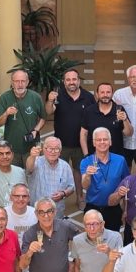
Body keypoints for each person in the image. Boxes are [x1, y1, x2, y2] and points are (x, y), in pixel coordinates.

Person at [46, 69, 95, 208]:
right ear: (64, 82)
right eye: (68, 80)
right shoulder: (58, 96)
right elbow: (49, 111)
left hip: (81, 144)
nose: (71, 82)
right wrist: (49, 101)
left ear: (78, 81)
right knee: (58, 171)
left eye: (74, 79)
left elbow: (93, 116)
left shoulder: (88, 97)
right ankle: (54, 198)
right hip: (61, 144)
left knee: (79, 171)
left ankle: (80, 197)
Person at [80, 128, 130, 231]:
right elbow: (84, 186)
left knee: (113, 238)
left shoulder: (120, 160)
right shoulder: (86, 161)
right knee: (93, 238)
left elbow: (127, 185)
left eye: (105, 139)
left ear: (110, 142)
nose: (102, 142)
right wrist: (88, 175)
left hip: (113, 209)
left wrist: (126, 210)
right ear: (94, 143)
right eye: (98, 140)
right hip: (93, 209)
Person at [0, 69, 46, 167]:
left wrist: (36, 130)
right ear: (12, 83)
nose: (20, 84)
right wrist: (6, 113)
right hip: (11, 149)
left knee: (32, 173)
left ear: (27, 82)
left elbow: (43, 118)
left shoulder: (36, 97)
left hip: (32, 148)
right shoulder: (4, 97)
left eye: (23, 81)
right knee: (13, 174)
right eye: (17, 81)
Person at [26, 136, 75, 218]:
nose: (53, 152)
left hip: (56, 213)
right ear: (44, 149)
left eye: (56, 149)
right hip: (37, 212)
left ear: (60, 151)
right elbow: (29, 168)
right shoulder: (36, 161)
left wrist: (63, 194)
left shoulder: (65, 166)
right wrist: (32, 156)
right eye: (50, 148)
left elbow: (71, 187)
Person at [80, 82, 133, 157]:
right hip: (94, 157)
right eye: (102, 92)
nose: (105, 95)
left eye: (108, 92)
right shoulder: (89, 111)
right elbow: (83, 134)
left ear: (112, 94)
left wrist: (125, 120)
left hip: (115, 157)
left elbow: (129, 133)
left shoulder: (119, 109)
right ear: (97, 94)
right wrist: (86, 155)